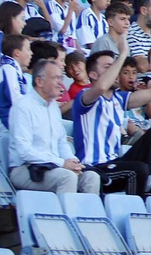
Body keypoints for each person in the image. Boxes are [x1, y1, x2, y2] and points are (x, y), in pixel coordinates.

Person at [71, 39, 151, 196]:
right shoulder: (84, 97)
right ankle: (137, 206)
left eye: (116, 66)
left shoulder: (119, 98)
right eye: (109, 67)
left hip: (115, 164)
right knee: (137, 169)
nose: (116, 71)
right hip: (94, 168)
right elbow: (101, 87)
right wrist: (123, 54)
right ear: (93, 75)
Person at [8, 56, 102, 194]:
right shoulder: (23, 106)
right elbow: (24, 151)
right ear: (39, 81)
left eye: (60, 78)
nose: (60, 83)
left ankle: (84, 209)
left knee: (91, 177)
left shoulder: (53, 107)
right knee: (67, 177)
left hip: (52, 166)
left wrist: (72, 161)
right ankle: (66, 209)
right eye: (55, 78)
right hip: (25, 168)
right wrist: (61, 163)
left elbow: (61, 142)